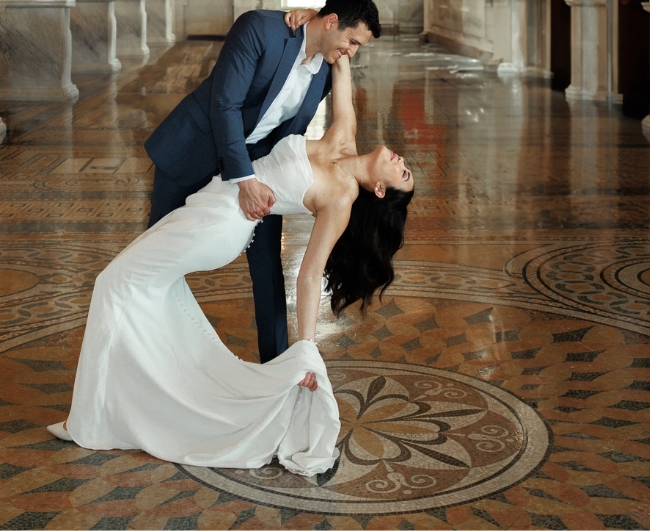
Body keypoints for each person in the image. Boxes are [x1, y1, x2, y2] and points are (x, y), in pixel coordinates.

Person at [47, 54, 413, 475]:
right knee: (139, 289)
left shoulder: (341, 201)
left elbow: (311, 273)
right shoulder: (342, 141)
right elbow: (341, 60)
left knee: (115, 281)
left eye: (403, 173)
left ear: (381, 190)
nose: (401, 160)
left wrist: (307, 348)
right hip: (214, 202)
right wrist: (306, 24)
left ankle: (91, 420)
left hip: (221, 224)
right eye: (406, 166)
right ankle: (128, 405)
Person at [143, 0, 381, 362]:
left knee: (269, 270)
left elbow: (286, 129)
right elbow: (225, 105)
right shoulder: (259, 29)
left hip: (259, 169)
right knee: (154, 261)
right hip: (193, 151)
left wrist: (256, 178)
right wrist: (244, 181)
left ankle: (279, 369)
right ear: (332, 21)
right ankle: (149, 358)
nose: (352, 52)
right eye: (352, 42)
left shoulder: (324, 71)